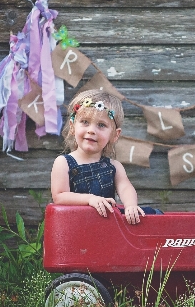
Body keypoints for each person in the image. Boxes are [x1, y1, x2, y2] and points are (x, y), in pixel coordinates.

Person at [51, 89, 160, 224]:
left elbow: (126, 188)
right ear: (73, 127)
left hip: (107, 226)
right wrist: (90, 199)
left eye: (101, 125)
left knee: (154, 214)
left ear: (114, 135)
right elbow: (60, 196)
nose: (91, 130)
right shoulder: (64, 162)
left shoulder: (114, 166)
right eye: (85, 122)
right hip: (76, 226)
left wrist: (131, 205)